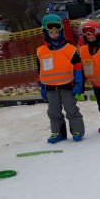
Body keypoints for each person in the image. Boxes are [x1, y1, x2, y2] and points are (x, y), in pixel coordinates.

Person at [37, 14, 86, 143]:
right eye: (50, 30)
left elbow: (78, 67)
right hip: (50, 87)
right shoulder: (41, 51)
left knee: (71, 109)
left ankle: (77, 130)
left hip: (67, 85)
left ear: (61, 30)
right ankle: (58, 133)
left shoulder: (69, 49)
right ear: (45, 31)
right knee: (53, 111)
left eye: (57, 29)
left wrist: (78, 83)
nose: (54, 33)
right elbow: (39, 70)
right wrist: (41, 86)